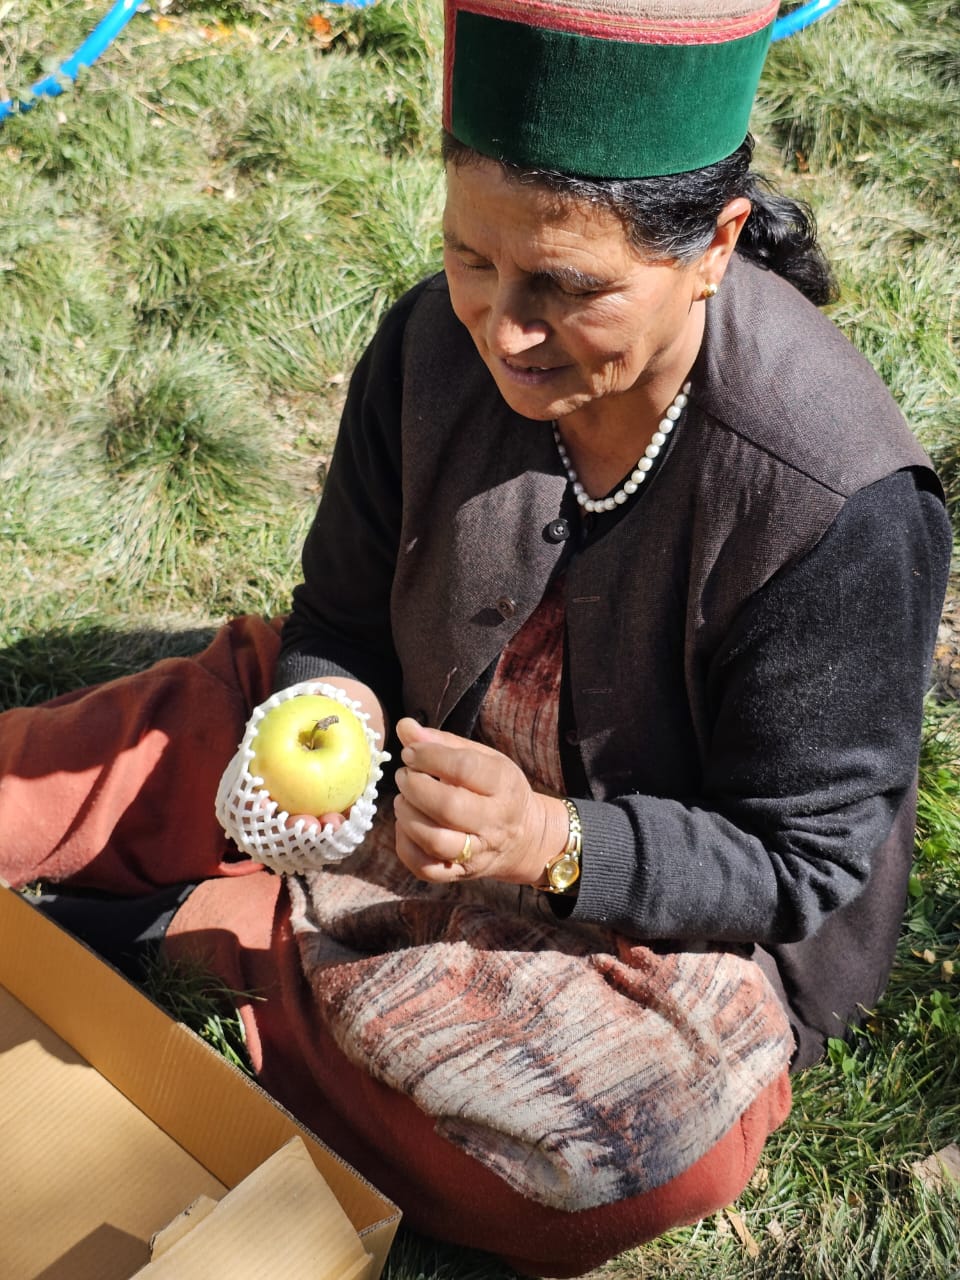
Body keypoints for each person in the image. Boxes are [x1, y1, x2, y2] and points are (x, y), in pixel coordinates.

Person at [1, 1, 951, 1274]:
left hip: (640, 913)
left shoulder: (836, 502)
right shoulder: (428, 346)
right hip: (405, 757)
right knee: (133, 744)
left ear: (716, 245)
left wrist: (554, 840)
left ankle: (228, 933)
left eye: (564, 286)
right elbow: (338, 620)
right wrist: (310, 722)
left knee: (629, 1163)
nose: (502, 329)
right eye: (471, 259)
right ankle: (260, 909)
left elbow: (799, 855)